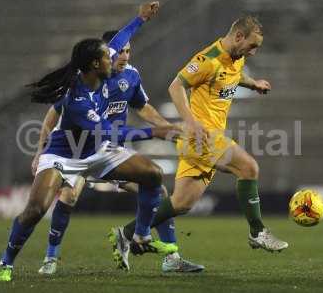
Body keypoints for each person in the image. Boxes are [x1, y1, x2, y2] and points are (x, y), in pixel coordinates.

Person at [0, 2, 177, 282]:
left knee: (153, 175)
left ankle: (140, 234)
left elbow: (118, 41)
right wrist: (153, 133)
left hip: (98, 152)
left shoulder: (99, 71)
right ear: (95, 64)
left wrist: (140, 19)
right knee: (35, 210)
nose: (113, 59)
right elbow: (108, 133)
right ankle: (6, 263)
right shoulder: (78, 98)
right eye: (107, 57)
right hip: (65, 156)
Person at [114, 16, 288, 266]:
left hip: (205, 139)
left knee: (182, 203)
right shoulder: (208, 59)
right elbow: (176, 86)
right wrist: (191, 123)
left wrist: (254, 84)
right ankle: (257, 232)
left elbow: (233, 76)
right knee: (249, 167)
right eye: (252, 46)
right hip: (201, 136)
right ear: (238, 36)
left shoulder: (234, 58)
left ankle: (125, 234)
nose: (253, 52)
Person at [34, 30, 203, 274]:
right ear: (106, 54)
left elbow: (142, 108)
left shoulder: (131, 76)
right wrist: (40, 151)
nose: (124, 57)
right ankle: (50, 258)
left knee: (157, 190)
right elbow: (54, 115)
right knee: (69, 196)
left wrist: (166, 127)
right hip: (79, 151)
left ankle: (170, 256)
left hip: (111, 151)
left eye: (128, 51)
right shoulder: (88, 81)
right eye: (120, 51)